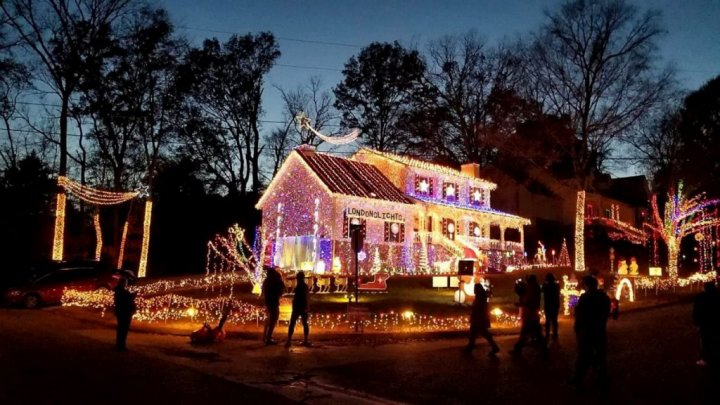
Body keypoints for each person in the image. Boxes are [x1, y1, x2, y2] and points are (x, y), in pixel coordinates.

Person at [569, 275, 612, 388]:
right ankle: (601, 377)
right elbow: (606, 312)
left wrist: (578, 327)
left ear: (587, 285)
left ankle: (578, 378)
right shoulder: (604, 297)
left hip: (588, 330)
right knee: (600, 354)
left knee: (584, 354)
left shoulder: (585, 297)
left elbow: (580, 314)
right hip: (600, 329)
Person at [511, 275, 548, 356]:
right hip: (532, 314)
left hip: (530, 314)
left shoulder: (532, 289)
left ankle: (517, 349)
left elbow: (529, 301)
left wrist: (520, 304)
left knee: (526, 333)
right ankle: (544, 349)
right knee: (535, 333)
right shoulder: (533, 288)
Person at [463, 283, 500, 356]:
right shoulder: (480, 297)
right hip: (478, 318)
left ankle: (494, 346)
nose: (474, 290)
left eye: (475, 289)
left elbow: (478, 308)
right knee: (477, 333)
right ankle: (471, 346)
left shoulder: (480, 298)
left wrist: (471, 307)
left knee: (481, 333)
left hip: (479, 319)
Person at [693, 281, 720, 366]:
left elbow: (696, 311)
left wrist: (697, 322)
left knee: (705, 341)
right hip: (716, 322)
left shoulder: (700, 297)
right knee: (716, 339)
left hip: (705, 323)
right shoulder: (718, 296)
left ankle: (706, 359)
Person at [285, 271, 311, 348]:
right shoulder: (303, 285)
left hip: (299, 307)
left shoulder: (300, 286)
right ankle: (305, 340)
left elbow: (304, 297)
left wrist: (306, 306)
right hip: (301, 306)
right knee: (304, 323)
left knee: (293, 323)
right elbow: (306, 297)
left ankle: (289, 340)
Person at [261, 266, 285, 345]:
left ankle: (265, 337)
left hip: (267, 302)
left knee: (268, 320)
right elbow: (281, 290)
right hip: (273, 303)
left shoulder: (266, 281)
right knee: (273, 320)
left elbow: (264, 291)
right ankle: (268, 338)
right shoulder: (274, 281)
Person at [113, 277, 137, 351]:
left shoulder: (119, 291)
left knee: (121, 329)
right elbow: (126, 300)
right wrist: (132, 296)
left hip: (122, 312)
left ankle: (120, 344)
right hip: (124, 312)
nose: (126, 284)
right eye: (125, 283)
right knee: (123, 329)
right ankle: (121, 345)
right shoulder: (122, 291)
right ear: (123, 283)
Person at [542, 273, 561, 340]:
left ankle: (547, 333)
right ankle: (555, 333)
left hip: (548, 304)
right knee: (554, 320)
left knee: (548, 320)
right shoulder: (557, 286)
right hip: (555, 304)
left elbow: (542, 290)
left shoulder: (545, 286)